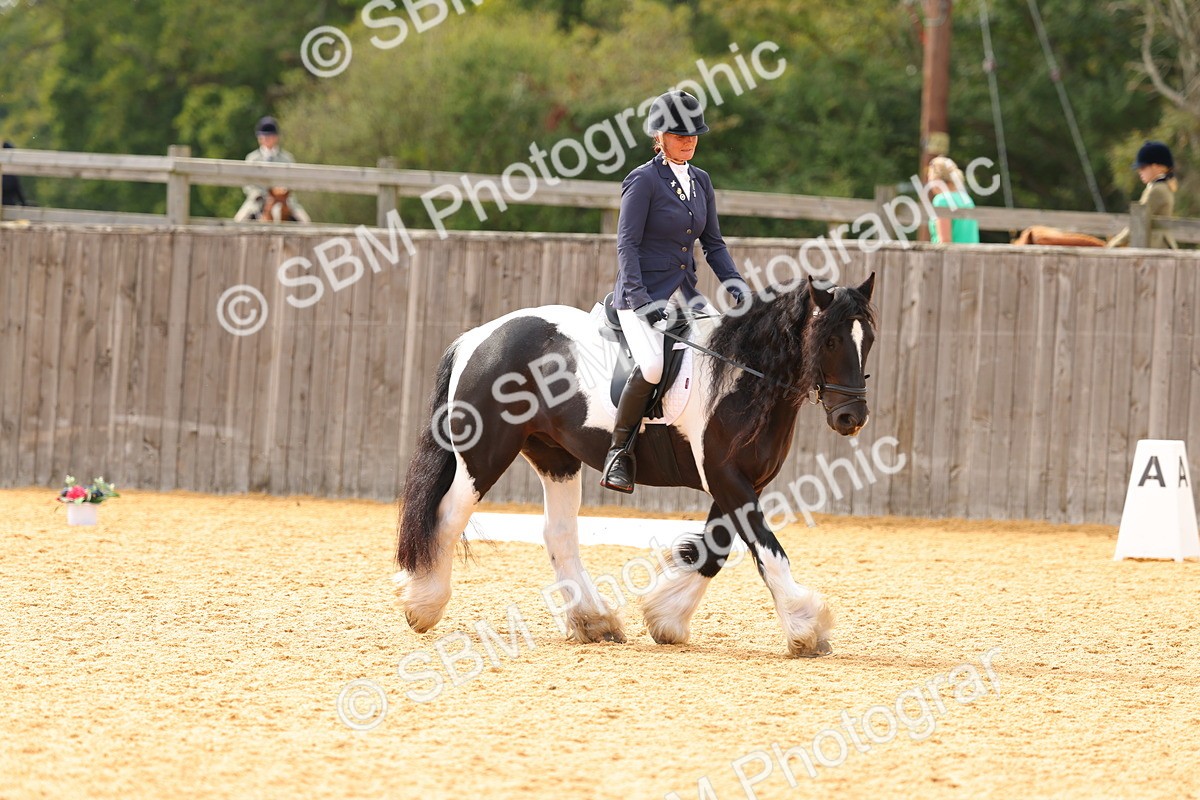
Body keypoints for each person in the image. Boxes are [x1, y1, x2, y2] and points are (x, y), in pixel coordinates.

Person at [601, 90, 749, 494]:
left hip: (686, 294)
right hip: (640, 295)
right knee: (651, 366)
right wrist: (640, 300)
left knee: (721, 354)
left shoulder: (701, 181)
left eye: (693, 135)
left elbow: (713, 244)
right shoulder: (643, 180)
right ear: (660, 136)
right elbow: (627, 245)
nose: (688, 142)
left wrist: (736, 286)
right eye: (680, 135)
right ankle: (619, 452)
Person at [234, 116, 311, 223]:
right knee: (238, 220)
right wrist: (257, 194)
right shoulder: (252, 158)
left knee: (306, 221)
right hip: (258, 201)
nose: (266, 138)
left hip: (283, 200)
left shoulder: (287, 158)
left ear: (276, 137)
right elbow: (247, 184)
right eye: (263, 136)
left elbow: (292, 182)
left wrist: (282, 192)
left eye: (269, 135)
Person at [1106, 140, 1179, 249]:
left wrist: (1113, 244)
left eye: (1143, 167)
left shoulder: (1157, 191)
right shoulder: (1159, 187)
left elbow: (1138, 221)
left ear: (1156, 167)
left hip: (1156, 247)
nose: (1139, 171)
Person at [926, 156, 980, 244]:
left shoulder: (942, 200)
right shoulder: (967, 200)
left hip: (953, 253)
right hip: (973, 252)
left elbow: (945, 241)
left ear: (936, 179)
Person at [2, 141, 30, 207]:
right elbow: (18, 191)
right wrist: (24, 203)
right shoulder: (12, 175)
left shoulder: (11, 174)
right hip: (10, 204)